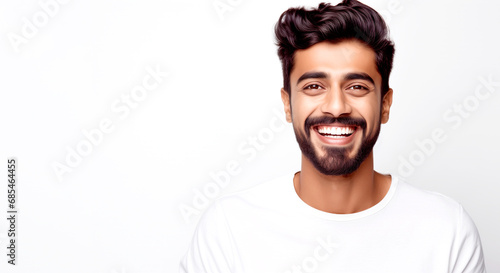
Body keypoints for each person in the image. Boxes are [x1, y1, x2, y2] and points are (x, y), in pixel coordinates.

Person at [180, 0, 486, 272]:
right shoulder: (229, 228)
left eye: (357, 87)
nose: (337, 107)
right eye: (314, 86)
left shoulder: (448, 230)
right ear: (288, 105)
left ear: (385, 104)